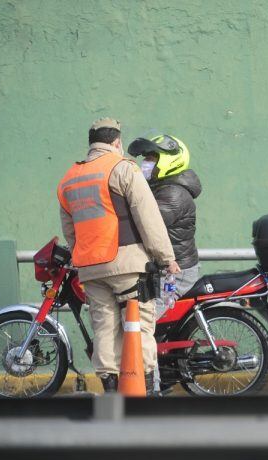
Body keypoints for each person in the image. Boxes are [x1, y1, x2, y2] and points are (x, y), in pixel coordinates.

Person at [57, 118, 180, 394]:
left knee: (104, 330)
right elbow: (147, 216)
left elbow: (71, 232)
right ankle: (144, 390)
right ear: (116, 142)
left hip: (90, 269)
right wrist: (166, 258)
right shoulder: (121, 168)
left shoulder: (69, 179)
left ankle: (112, 393)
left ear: (92, 143)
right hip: (127, 266)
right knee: (139, 328)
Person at [127, 133, 202, 318]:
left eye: (151, 157)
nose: (145, 162)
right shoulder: (161, 188)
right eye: (145, 157)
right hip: (161, 270)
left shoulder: (173, 195)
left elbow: (145, 224)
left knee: (141, 324)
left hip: (175, 273)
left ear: (169, 161)